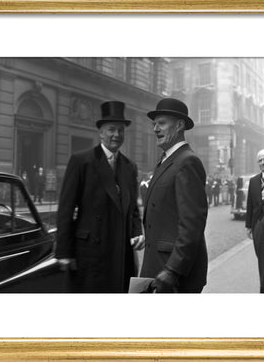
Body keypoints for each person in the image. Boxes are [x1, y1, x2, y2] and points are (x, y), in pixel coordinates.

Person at [55, 101, 144, 293]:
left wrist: (137, 231)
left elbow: (133, 209)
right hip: (90, 251)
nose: (117, 135)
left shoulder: (130, 167)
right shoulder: (82, 161)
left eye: (121, 130)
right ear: (101, 132)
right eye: (111, 129)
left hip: (121, 250)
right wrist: (64, 251)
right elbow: (66, 208)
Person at [140, 98, 208, 293]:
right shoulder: (168, 160)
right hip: (158, 264)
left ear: (179, 125)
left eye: (161, 123)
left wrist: (173, 269)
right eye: (154, 124)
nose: (155, 129)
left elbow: (192, 223)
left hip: (174, 273)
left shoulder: (187, 162)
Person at [245, 149, 264, 293]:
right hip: (259, 227)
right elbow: (250, 204)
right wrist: (249, 226)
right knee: (263, 263)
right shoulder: (254, 181)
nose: (263, 163)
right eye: (260, 160)